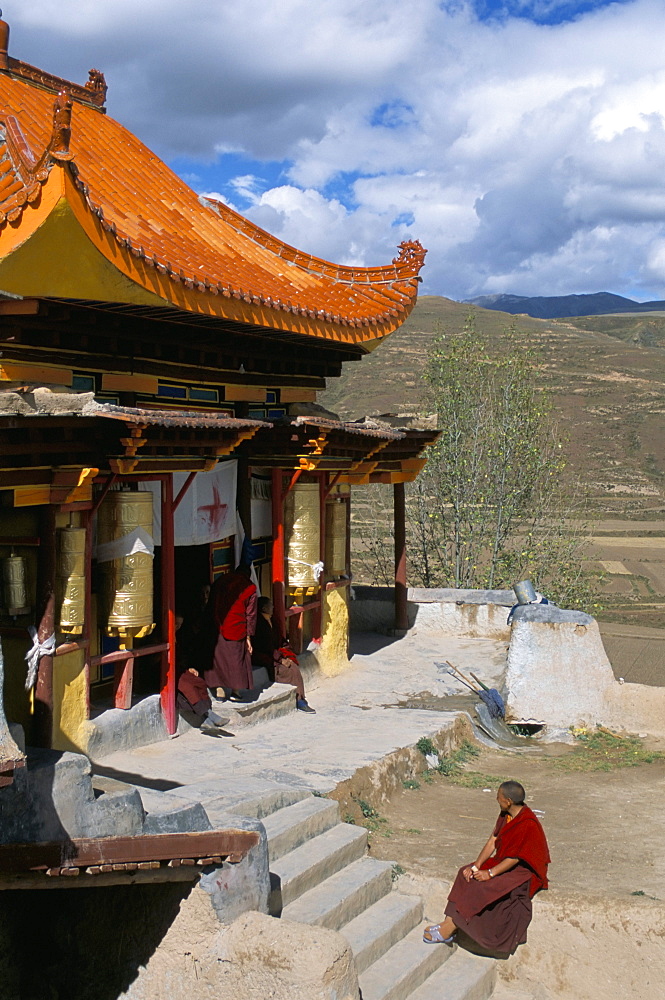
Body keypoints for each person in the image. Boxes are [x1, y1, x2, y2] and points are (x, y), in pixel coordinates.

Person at [423, 780, 550, 953]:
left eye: (499, 797)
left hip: (524, 869)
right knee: (465, 874)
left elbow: (515, 858)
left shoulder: (527, 823)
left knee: (486, 888)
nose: (496, 799)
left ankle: (450, 927)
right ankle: (449, 922)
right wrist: (476, 866)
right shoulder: (506, 815)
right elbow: (493, 841)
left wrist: (489, 873)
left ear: (508, 801)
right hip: (504, 860)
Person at [252, 596, 316, 713]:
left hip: (275, 653)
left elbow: (280, 640)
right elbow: (264, 647)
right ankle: (298, 699)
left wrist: (285, 652)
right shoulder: (259, 625)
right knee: (286, 670)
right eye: (270, 605)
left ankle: (301, 698)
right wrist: (280, 660)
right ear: (263, 608)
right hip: (263, 655)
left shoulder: (272, 621)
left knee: (294, 667)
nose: (273, 607)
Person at [203, 564, 257, 700]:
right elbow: (250, 614)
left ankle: (219, 689)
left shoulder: (220, 581)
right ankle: (235, 691)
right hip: (236, 628)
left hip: (217, 623)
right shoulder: (249, 588)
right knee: (236, 659)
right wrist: (249, 636)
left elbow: (211, 602)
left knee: (218, 658)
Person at [175, 613, 229, 733]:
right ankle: (208, 716)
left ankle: (208, 717)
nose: (177, 627)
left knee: (198, 681)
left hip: (179, 670)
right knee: (186, 686)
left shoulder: (179, 636)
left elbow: (182, 657)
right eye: (175, 624)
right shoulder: (159, 637)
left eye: (179, 624)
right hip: (163, 674)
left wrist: (188, 668)